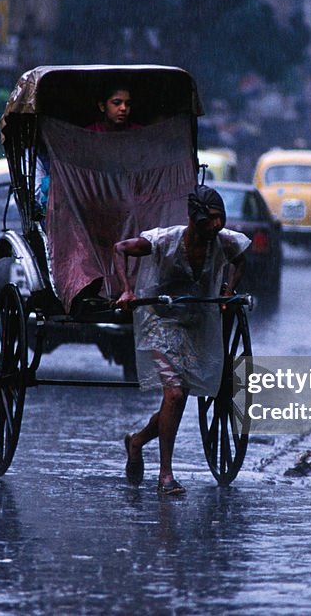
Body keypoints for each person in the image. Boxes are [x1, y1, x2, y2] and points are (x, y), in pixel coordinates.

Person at [113, 185, 250, 495]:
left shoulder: (223, 241)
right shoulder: (164, 240)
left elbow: (240, 259)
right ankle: (166, 475)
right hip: (159, 321)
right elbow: (120, 248)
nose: (216, 226)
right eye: (210, 219)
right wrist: (127, 290)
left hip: (195, 325)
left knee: (175, 400)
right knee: (174, 395)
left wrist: (228, 292)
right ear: (194, 218)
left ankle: (136, 442)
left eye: (220, 219)